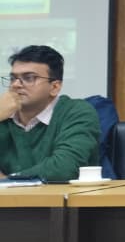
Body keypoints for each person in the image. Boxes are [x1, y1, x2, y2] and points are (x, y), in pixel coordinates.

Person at [0, 45, 100, 182]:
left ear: (55, 87)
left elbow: (64, 168)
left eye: (29, 78)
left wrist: (8, 180)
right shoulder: (2, 113)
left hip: (62, 196)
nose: (16, 85)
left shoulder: (76, 112)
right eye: (13, 78)